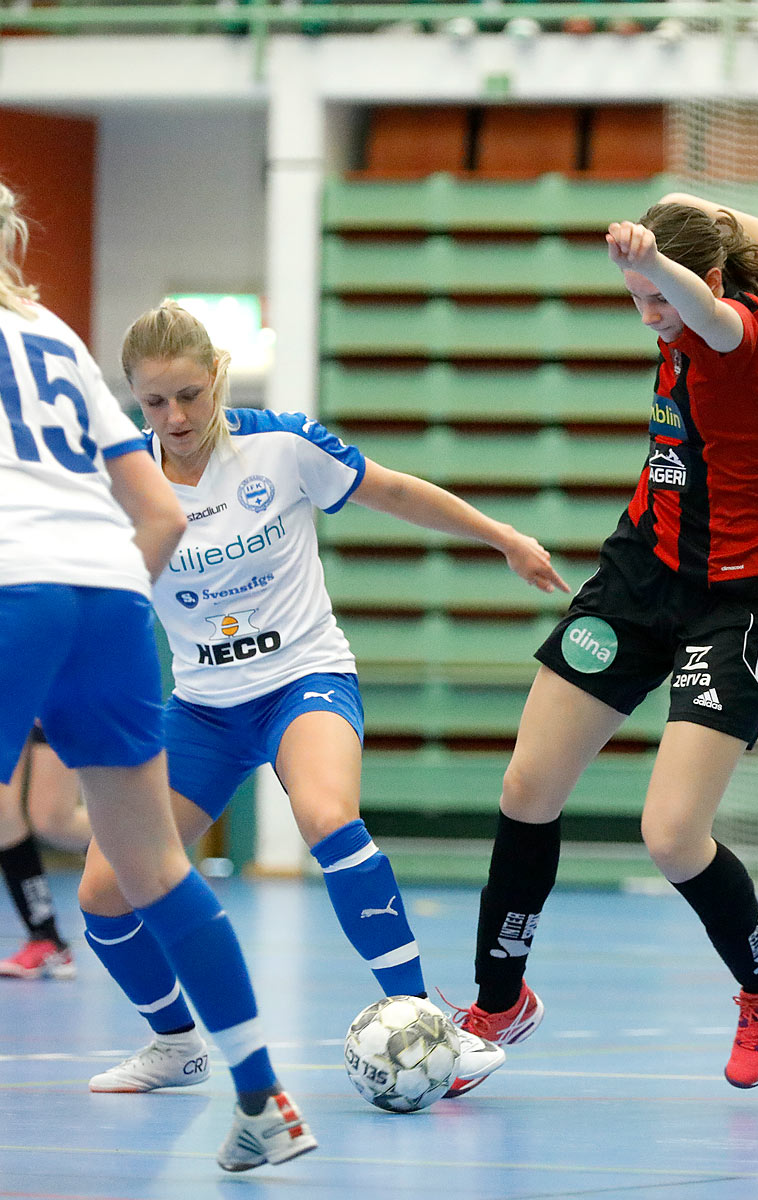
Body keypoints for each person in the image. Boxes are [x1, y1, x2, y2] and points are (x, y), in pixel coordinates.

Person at [0, 160, 315, 1190]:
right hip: (112, 595)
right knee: (157, 865)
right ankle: (265, 1102)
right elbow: (161, 515)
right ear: (6, 234)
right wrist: (92, 606)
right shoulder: (53, 330)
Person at [75, 300, 568, 1099]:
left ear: (219, 381)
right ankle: (174, 1045)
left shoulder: (281, 446)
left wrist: (503, 537)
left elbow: (399, 493)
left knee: (328, 817)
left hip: (302, 680)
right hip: (200, 706)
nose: (175, 417)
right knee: (104, 891)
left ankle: (425, 1022)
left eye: (191, 395)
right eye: (155, 401)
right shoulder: (123, 481)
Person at [453, 193, 758, 1090]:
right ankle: (498, 1003)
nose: (648, 315)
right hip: (642, 570)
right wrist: (701, 204)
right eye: (635, 298)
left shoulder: (750, 343)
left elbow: (708, 315)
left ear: (705, 283)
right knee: (528, 785)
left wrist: (661, 268)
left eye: (656, 298)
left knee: (670, 833)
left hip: (737, 600)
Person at [0, 724, 93, 979]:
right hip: (3, 688)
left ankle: (135, 841)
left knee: (52, 821)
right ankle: (45, 938)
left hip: (56, 687)